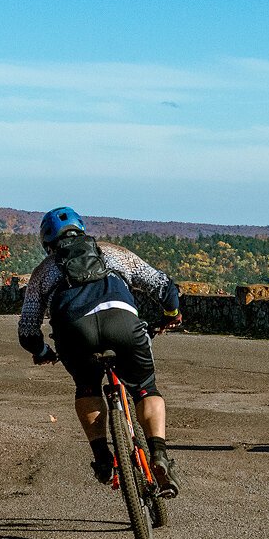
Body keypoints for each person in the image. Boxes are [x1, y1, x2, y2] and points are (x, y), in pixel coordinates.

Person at [19, 206, 184, 496]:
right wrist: (171, 313)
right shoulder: (113, 253)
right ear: (81, 230)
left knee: (86, 388)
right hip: (123, 323)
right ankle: (158, 453)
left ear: (47, 243)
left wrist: (43, 350)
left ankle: (102, 456)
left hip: (74, 333)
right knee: (146, 388)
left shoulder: (43, 272)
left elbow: (27, 330)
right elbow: (163, 285)